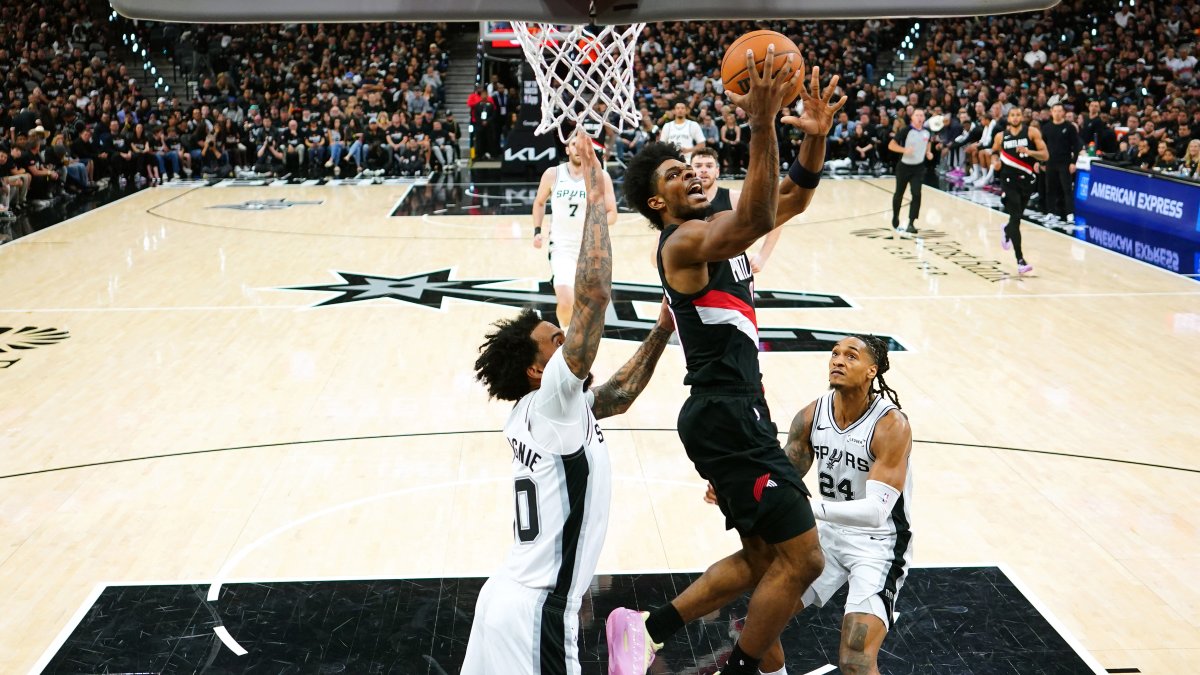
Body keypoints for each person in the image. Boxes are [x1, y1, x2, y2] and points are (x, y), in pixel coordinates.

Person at [609, 51, 846, 675]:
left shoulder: (715, 223)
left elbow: (791, 198)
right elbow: (762, 216)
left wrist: (814, 142)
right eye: (671, 174)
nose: (687, 173)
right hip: (725, 415)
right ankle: (740, 670)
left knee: (770, 562)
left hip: (734, 413)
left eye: (688, 164)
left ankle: (648, 629)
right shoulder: (683, 242)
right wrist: (763, 122)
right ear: (657, 205)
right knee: (805, 561)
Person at [463, 131, 676, 675]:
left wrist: (660, 329)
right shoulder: (553, 400)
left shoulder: (541, 414)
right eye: (554, 341)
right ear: (539, 371)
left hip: (505, 600)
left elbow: (620, 396)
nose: (566, 340)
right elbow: (594, 297)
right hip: (539, 612)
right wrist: (595, 186)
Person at [707, 335, 913, 675]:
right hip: (828, 537)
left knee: (855, 659)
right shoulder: (812, 416)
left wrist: (806, 508)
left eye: (851, 356)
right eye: (834, 354)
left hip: (879, 545)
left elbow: (876, 512)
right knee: (756, 625)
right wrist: (735, 487)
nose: (838, 360)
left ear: (871, 372)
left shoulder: (891, 425)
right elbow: (779, 476)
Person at [531, 132, 617, 328]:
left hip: (592, 249)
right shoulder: (553, 174)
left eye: (583, 144)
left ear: (589, 149)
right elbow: (539, 202)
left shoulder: (601, 176)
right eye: (574, 144)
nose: (579, 148)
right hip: (562, 247)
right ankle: (564, 336)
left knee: (587, 305)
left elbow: (612, 214)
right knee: (565, 300)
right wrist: (537, 230)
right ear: (567, 149)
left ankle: (578, 340)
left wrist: (596, 224)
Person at [991, 106, 1048, 276]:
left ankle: (1007, 230)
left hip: (1027, 180)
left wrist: (1029, 151)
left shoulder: (1032, 133)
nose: (1015, 118)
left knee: (1017, 218)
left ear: (1022, 117)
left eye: (1018, 115)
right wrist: (995, 161)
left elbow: (1045, 155)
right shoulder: (1001, 136)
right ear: (1008, 118)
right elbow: (994, 152)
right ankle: (1020, 260)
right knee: (1016, 217)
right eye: (1012, 115)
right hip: (1008, 181)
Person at [886, 109, 933, 237]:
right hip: (904, 167)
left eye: (922, 115)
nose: (919, 117)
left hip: (918, 168)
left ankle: (911, 223)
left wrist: (928, 152)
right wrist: (904, 150)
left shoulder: (927, 132)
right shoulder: (906, 131)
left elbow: (928, 143)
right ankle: (895, 216)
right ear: (912, 117)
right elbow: (891, 145)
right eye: (917, 115)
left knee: (916, 194)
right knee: (899, 194)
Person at [1041, 103, 1082, 223]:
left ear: (1063, 113)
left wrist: (1073, 162)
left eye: (1060, 111)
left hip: (1065, 162)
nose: (1057, 113)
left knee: (1067, 189)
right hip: (1050, 162)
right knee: (1050, 188)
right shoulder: (1047, 127)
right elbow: (1042, 146)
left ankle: (1069, 213)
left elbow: (1076, 146)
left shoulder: (1069, 127)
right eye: (1055, 111)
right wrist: (1041, 161)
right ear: (1051, 112)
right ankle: (1050, 212)